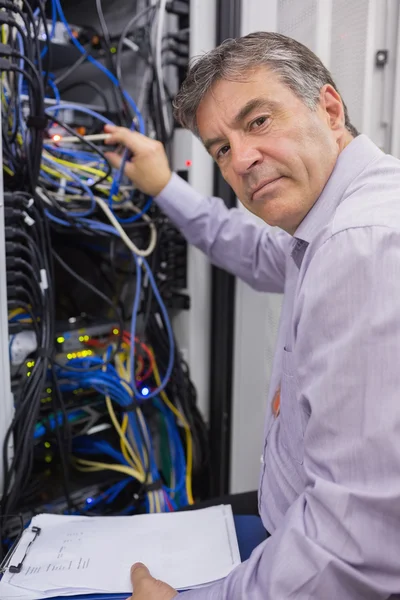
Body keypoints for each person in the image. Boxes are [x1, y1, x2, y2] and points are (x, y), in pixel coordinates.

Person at [104, 31, 400, 599]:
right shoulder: (332, 218)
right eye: (219, 147)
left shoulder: (360, 244)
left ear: (330, 108)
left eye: (258, 121)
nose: (239, 160)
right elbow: (251, 250)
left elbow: (354, 548)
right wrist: (164, 184)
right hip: (289, 533)